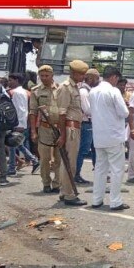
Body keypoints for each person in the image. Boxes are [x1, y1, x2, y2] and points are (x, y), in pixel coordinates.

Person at [85, 66, 130, 210]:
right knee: (117, 170)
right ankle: (115, 201)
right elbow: (124, 112)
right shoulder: (114, 91)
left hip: (99, 136)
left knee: (100, 169)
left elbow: (90, 111)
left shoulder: (93, 91)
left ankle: (96, 200)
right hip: (114, 136)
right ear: (114, 77)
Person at [56, 60, 89, 206]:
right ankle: (69, 195)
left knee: (68, 162)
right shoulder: (66, 88)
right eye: (81, 74)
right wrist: (62, 135)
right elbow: (62, 113)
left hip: (74, 127)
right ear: (73, 73)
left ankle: (64, 192)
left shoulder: (75, 87)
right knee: (70, 163)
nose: (83, 76)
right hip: (70, 129)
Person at [29, 65, 61, 194]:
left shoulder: (60, 89)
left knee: (60, 158)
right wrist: (33, 131)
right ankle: (46, 183)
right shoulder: (35, 91)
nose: (44, 78)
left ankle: (57, 184)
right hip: (44, 128)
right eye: (41, 76)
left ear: (52, 76)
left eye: (47, 75)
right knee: (44, 158)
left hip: (59, 128)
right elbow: (33, 113)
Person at [6, 73, 40, 176]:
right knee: (18, 144)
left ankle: (12, 168)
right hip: (23, 122)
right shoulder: (27, 93)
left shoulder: (12, 93)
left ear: (16, 80)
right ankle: (34, 161)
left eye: (10, 80)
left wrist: (17, 123)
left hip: (17, 123)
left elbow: (18, 109)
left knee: (12, 144)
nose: (9, 82)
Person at [75, 68, 101, 185]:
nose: (98, 81)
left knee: (95, 149)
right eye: (97, 78)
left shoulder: (88, 90)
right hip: (86, 124)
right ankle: (76, 174)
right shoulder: (84, 92)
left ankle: (100, 173)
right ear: (90, 78)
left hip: (90, 124)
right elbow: (88, 110)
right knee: (83, 150)